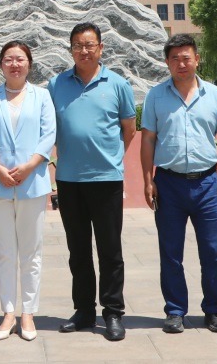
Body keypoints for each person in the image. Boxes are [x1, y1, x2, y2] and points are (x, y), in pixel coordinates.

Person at [139, 33, 217, 335]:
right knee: (170, 252)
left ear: (197, 59)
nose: (181, 63)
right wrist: (148, 180)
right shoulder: (156, 96)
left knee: (213, 251)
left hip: (207, 183)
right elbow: (148, 140)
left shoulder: (214, 95)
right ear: (167, 62)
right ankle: (175, 310)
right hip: (169, 183)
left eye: (186, 57)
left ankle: (215, 310)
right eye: (175, 59)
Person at [49, 21, 137, 342]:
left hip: (106, 179)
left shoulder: (117, 84)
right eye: (77, 45)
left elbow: (129, 129)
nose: (83, 51)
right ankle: (84, 310)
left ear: (100, 48)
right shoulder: (56, 84)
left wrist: (110, 157)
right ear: (70, 49)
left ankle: (112, 312)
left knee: (110, 250)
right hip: (69, 180)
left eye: (89, 45)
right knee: (78, 250)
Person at [0, 41, 55, 342]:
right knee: (5, 252)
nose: (14, 64)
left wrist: (29, 166)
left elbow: (48, 135)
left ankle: (28, 313)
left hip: (32, 183)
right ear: (1, 64)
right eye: (8, 59)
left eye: (20, 59)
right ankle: (9, 312)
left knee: (31, 252)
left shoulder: (42, 97)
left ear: (29, 64)